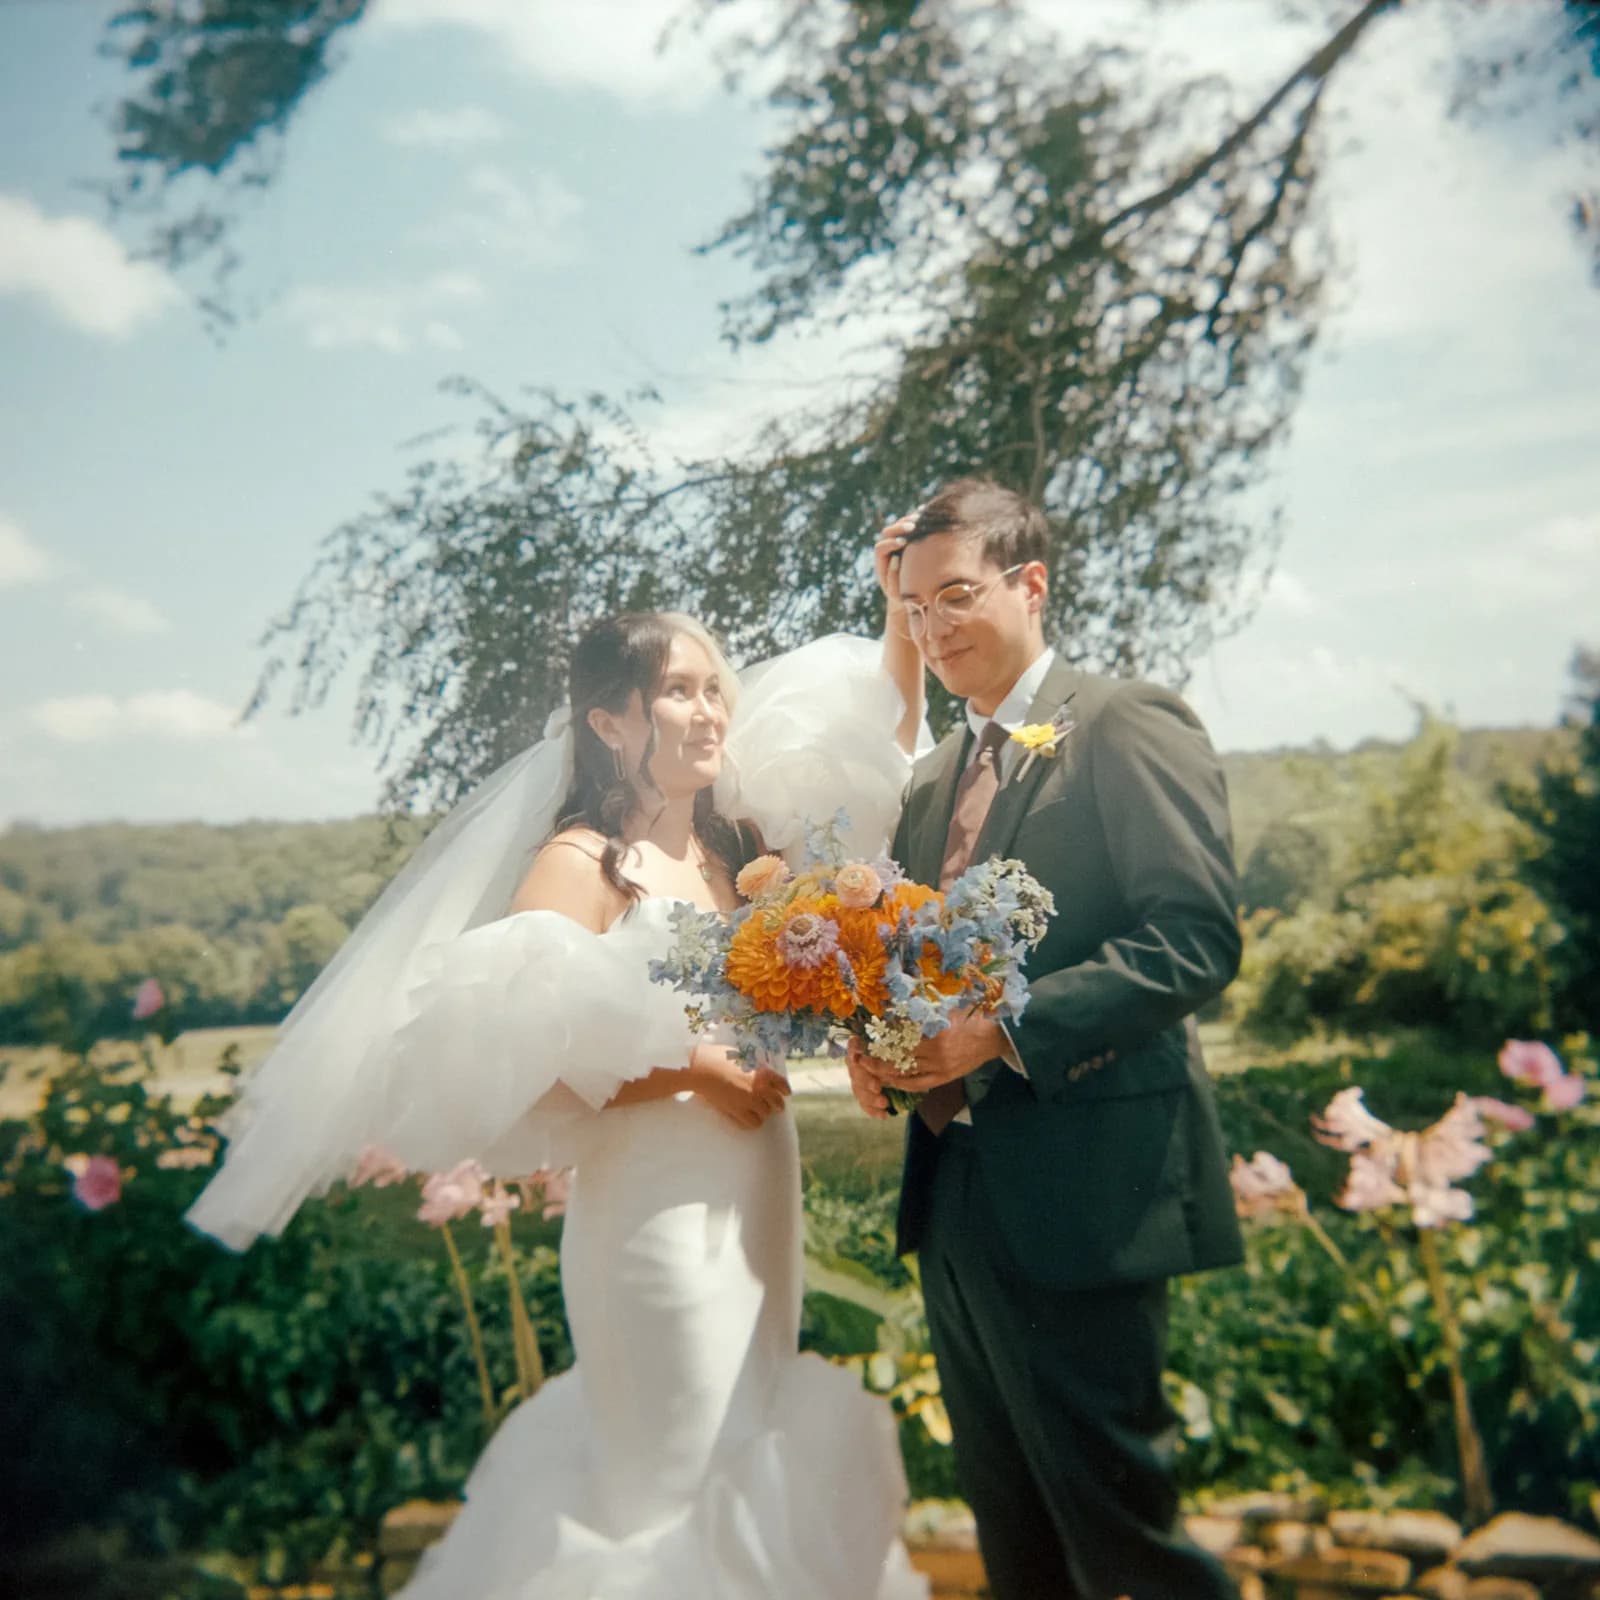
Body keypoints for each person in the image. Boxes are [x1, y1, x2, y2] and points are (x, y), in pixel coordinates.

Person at [188, 602, 930, 1599]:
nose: (709, 711)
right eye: (678, 690)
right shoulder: (577, 864)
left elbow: (874, 775)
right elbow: (511, 1063)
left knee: (745, 1436)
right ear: (610, 722)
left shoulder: (736, 855)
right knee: (669, 1474)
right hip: (650, 1217)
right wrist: (689, 1071)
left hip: (757, 1192)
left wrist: (902, 623)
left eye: (715, 688)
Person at [848, 477, 1246, 1600]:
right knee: (1016, 1540)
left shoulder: (1121, 722)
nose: (935, 627)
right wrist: (876, 1044)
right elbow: (924, 966)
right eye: (914, 608)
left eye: (958, 595)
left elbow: (1195, 939)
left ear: (1031, 583)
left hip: (1088, 1189)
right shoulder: (933, 780)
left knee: (1125, 1541)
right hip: (956, 1196)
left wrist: (1002, 1030)